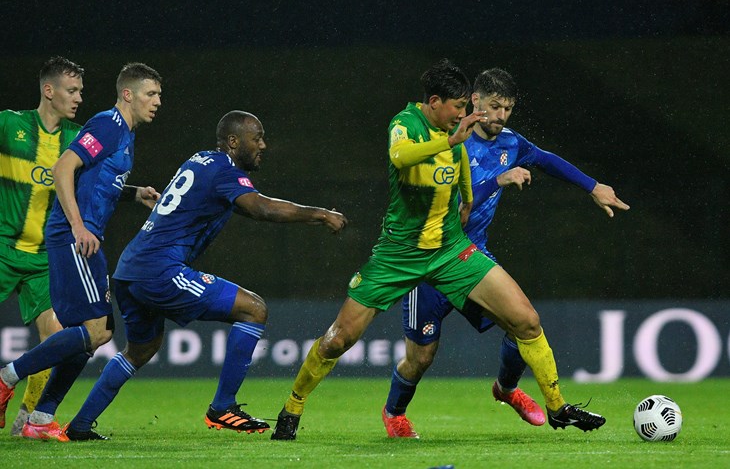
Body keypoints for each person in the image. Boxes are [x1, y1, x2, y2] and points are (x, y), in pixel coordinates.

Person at [271, 59, 610, 441]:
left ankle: (557, 406)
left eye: (469, 108)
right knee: (341, 340)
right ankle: (293, 407)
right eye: (459, 108)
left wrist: (467, 200)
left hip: (452, 252)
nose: (466, 115)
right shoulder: (406, 124)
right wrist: (455, 145)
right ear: (435, 102)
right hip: (399, 256)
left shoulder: (467, 137)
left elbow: (466, 181)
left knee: (526, 320)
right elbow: (400, 158)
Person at [56, 110, 347, 441]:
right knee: (254, 309)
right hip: (159, 271)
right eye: (257, 138)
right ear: (234, 142)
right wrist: (320, 214)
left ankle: (79, 427)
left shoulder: (202, 160)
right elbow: (260, 208)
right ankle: (222, 406)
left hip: (129, 269)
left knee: (140, 349)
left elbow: (244, 205)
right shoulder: (225, 170)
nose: (263, 144)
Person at [382, 67, 630, 438]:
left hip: (471, 257)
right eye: (494, 106)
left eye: (508, 109)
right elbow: (449, 204)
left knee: (524, 323)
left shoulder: (510, 143)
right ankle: (394, 413)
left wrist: (592, 186)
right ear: (474, 102)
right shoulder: (446, 141)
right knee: (420, 359)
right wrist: (498, 179)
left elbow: (546, 159)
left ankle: (508, 389)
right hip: (429, 263)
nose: (500, 116)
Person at [0, 62, 163, 441]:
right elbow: (62, 169)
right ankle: (8, 376)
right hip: (74, 237)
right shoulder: (107, 124)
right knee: (95, 330)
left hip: (83, 238)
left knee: (94, 331)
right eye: (151, 94)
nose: (157, 102)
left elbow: (95, 177)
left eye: (158, 95)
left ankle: (40, 419)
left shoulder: (123, 133)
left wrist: (133, 192)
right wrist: (77, 225)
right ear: (128, 94)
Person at [0, 56, 85, 435]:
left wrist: (136, 195)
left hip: (43, 259)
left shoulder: (77, 139)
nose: (79, 97)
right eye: (72, 90)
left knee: (56, 337)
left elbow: (98, 187)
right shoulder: (9, 124)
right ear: (49, 91)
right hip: (2, 249)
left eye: (81, 90)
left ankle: (25, 423)